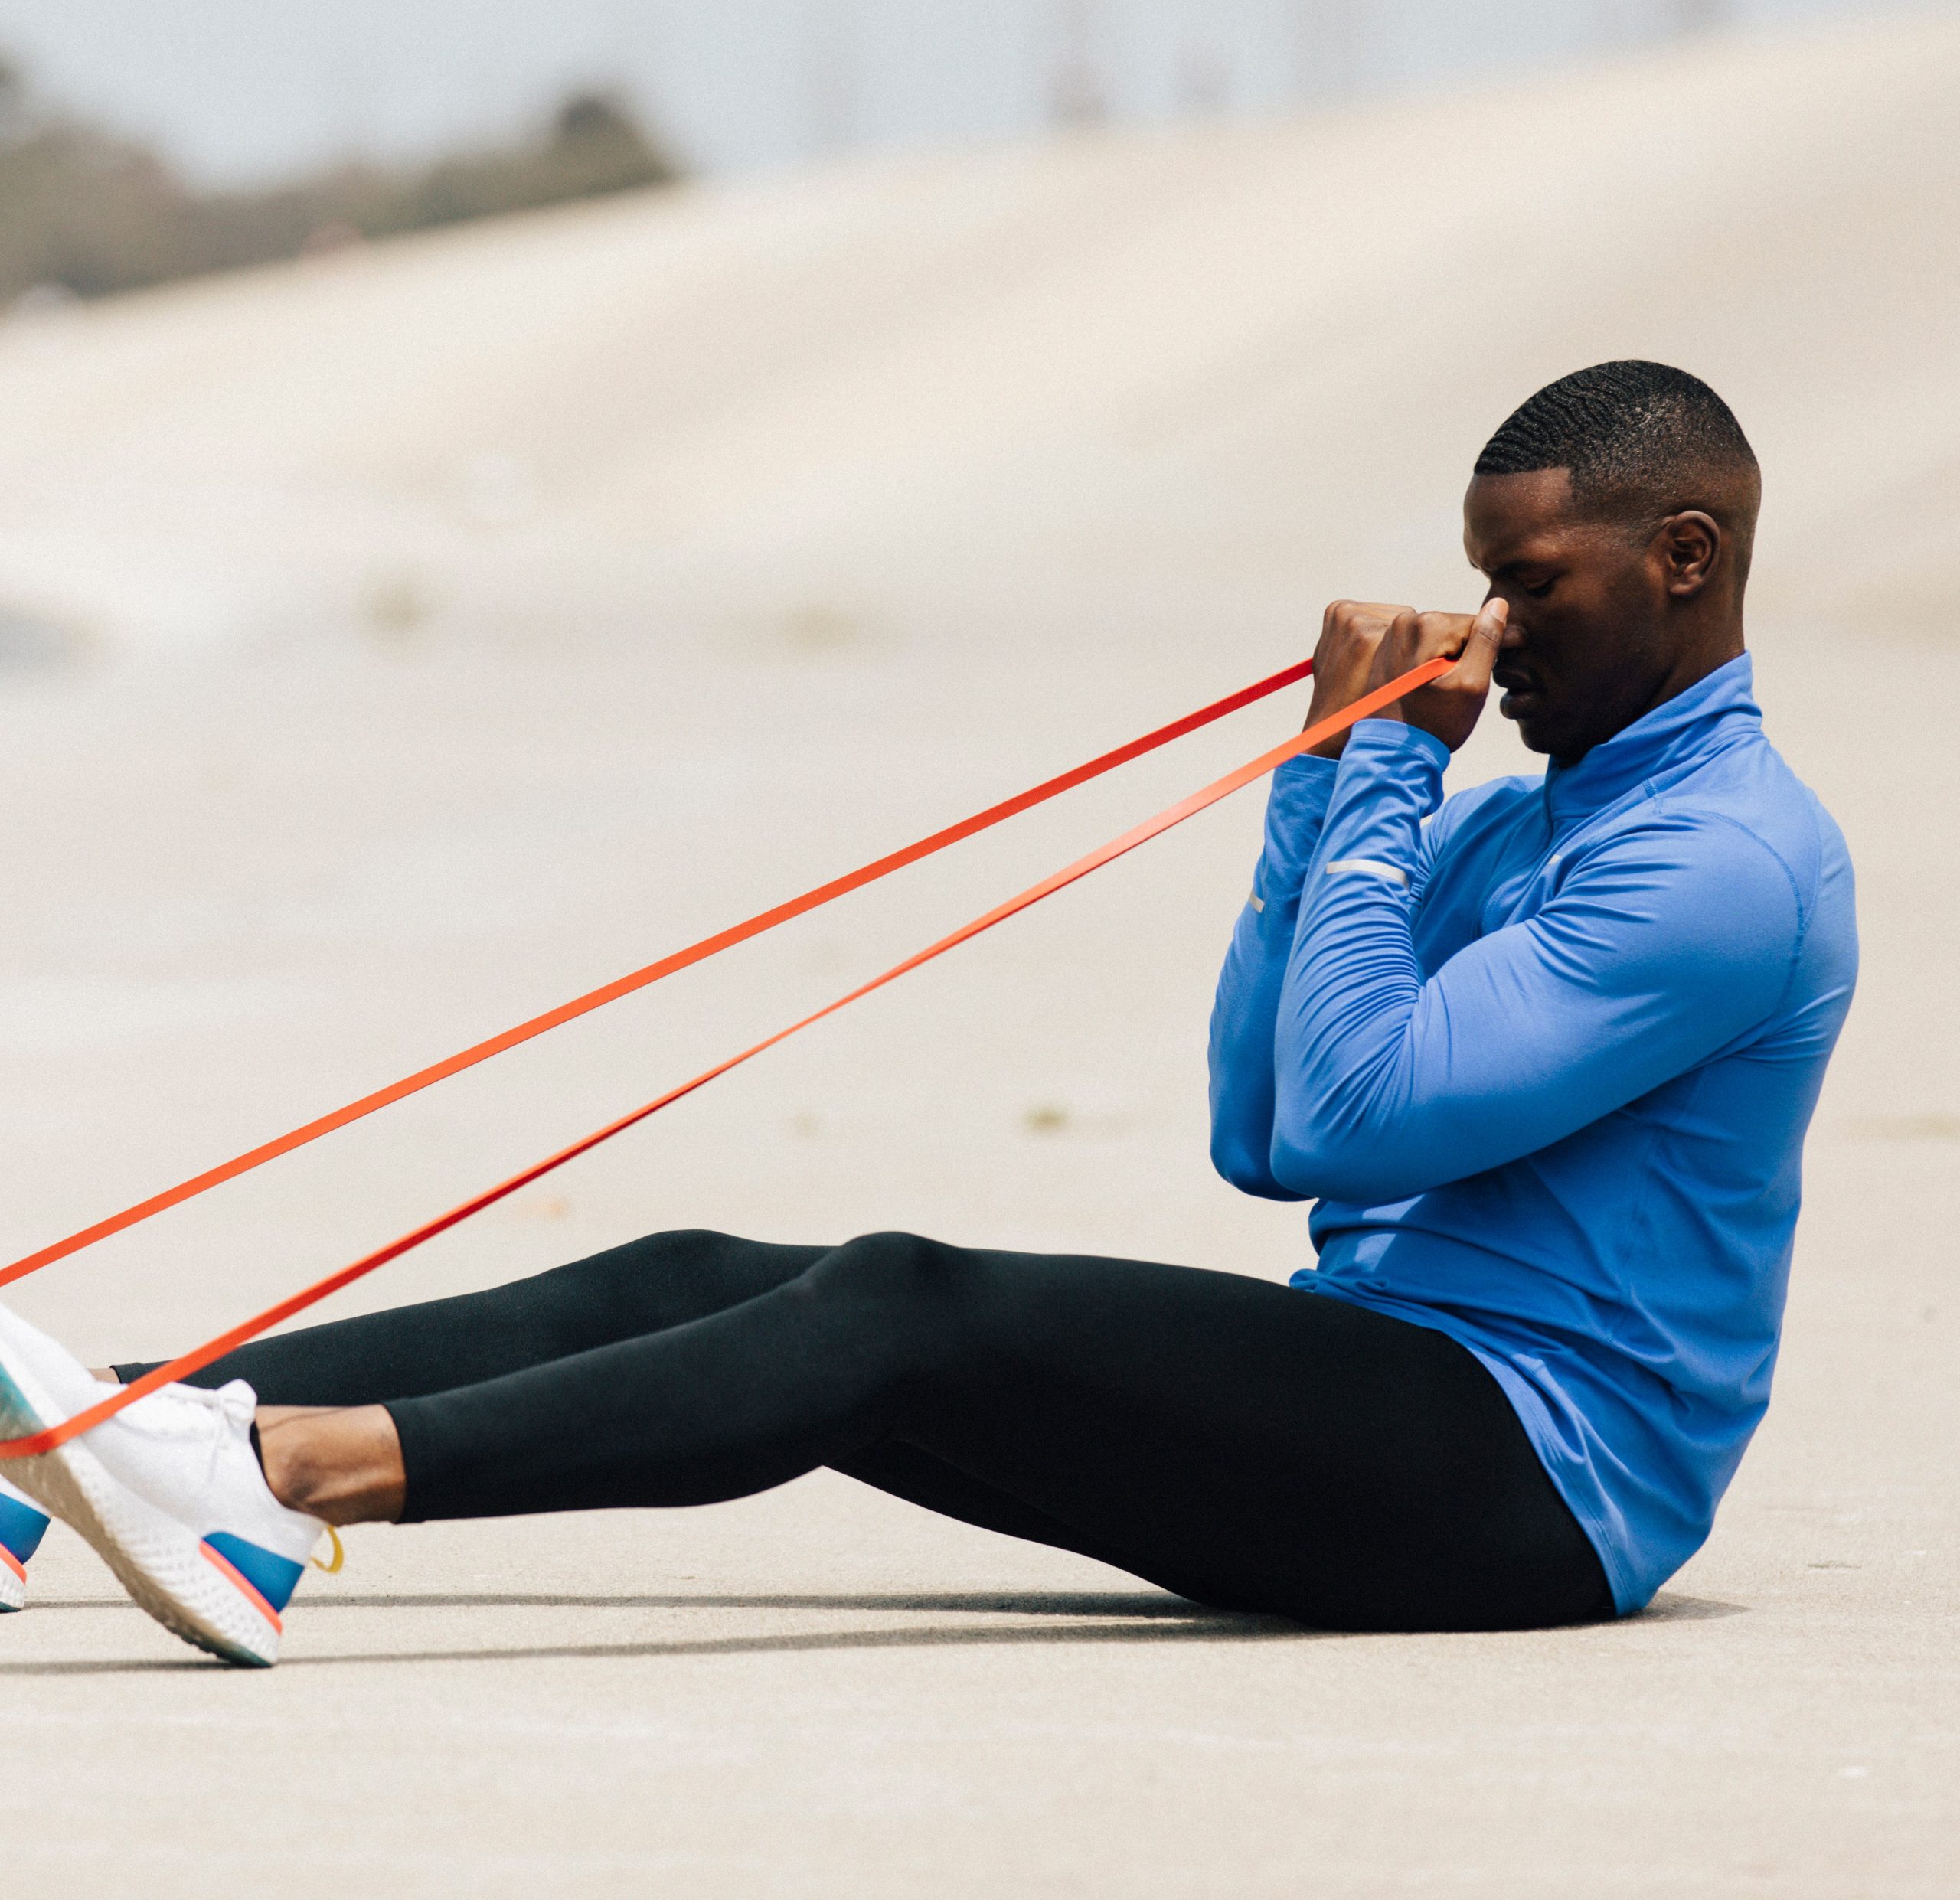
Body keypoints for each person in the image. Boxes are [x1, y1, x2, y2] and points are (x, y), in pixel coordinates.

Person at [0, 361, 1857, 1668]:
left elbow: (1356, 1115)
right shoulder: (1540, 825)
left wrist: (1376, 788)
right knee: (694, 1265)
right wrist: (1321, 793)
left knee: (900, 1303)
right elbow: (1261, 1132)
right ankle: (80, 1434)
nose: (1491, 627)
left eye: (1528, 583)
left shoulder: (1725, 864)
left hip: (1525, 1482)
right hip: (1390, 1389)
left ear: (1682, 557)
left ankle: (265, 1483)